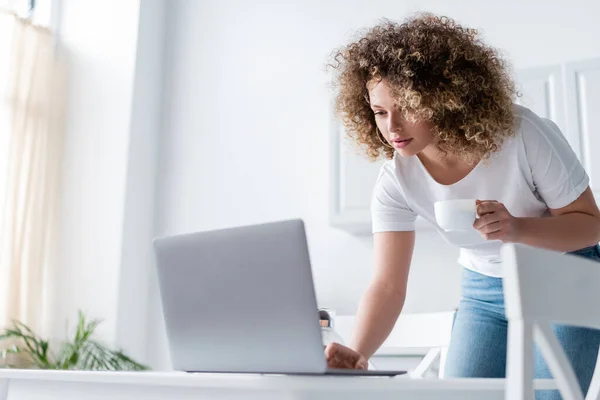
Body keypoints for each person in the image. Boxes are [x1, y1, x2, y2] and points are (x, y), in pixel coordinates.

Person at [325, 12, 600, 399]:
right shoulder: (395, 182)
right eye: (380, 112)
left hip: (566, 274)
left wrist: (517, 230)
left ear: (443, 97)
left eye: (407, 106)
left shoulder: (523, 135)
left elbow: (590, 225)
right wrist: (356, 354)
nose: (392, 127)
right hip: (483, 290)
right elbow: (387, 286)